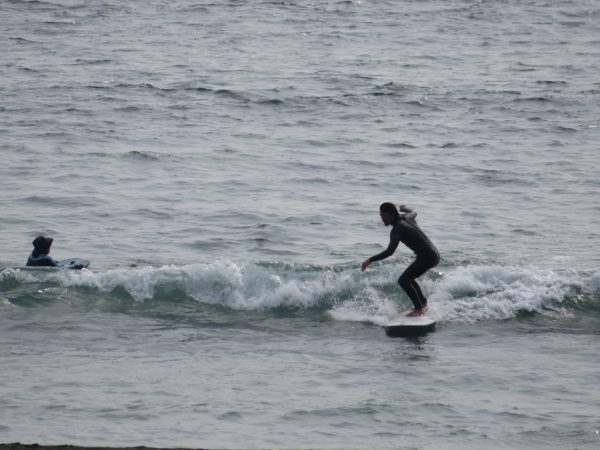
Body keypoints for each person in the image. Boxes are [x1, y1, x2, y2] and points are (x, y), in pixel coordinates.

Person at [361, 203, 439, 316]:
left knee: (404, 280)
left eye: (384, 216)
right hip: (432, 254)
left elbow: (389, 252)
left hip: (427, 257)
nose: (382, 219)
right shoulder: (407, 217)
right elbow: (413, 212)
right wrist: (404, 208)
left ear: (392, 215)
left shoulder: (397, 229)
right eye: (381, 215)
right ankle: (422, 304)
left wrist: (370, 260)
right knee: (409, 278)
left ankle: (418, 309)